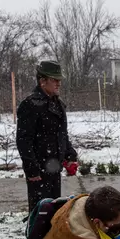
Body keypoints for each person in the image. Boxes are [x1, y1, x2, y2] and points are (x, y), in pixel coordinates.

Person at [16, 61, 78, 212]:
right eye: (54, 80)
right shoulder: (30, 104)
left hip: (54, 166)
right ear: (42, 81)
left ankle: (50, 235)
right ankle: (35, 235)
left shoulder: (58, 104)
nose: (58, 83)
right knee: (40, 211)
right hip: (39, 170)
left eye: (59, 80)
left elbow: (62, 134)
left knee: (54, 209)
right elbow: (24, 140)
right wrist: (31, 169)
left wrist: (70, 154)